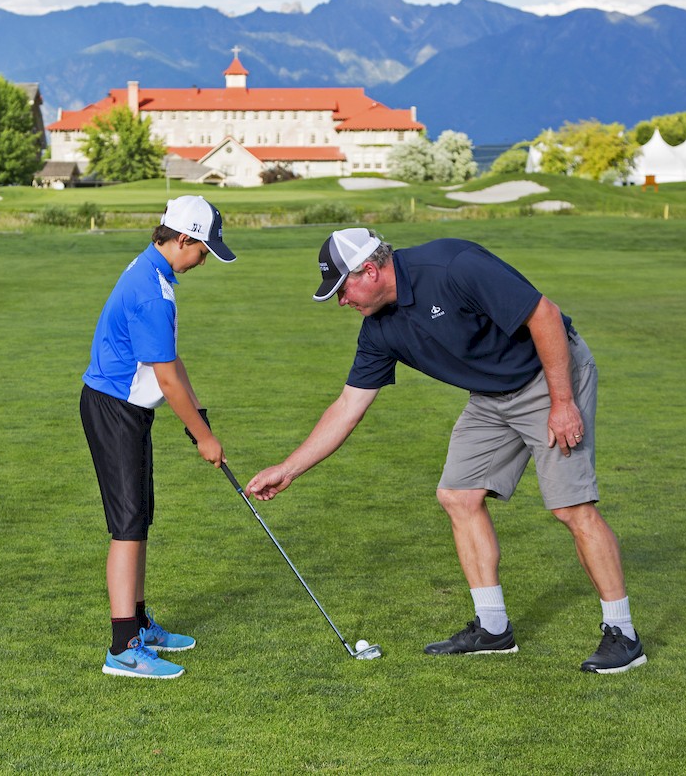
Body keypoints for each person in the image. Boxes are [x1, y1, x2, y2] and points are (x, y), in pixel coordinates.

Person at [246, 228, 646, 674]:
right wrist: (289, 468)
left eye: (343, 289)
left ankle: (623, 634)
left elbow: (544, 315)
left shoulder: (453, 266)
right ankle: (493, 628)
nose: (341, 301)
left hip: (549, 376)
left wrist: (563, 402)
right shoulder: (378, 330)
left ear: (371, 270)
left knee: (571, 507)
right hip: (491, 396)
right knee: (458, 495)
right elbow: (347, 408)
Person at [81, 195, 235, 679]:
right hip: (114, 410)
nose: (203, 261)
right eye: (204, 251)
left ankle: (139, 623)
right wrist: (203, 437)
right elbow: (165, 379)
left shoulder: (155, 273)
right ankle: (122, 647)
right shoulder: (153, 292)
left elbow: (169, 361)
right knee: (127, 524)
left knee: (139, 518)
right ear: (183, 239)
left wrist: (201, 421)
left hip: (127, 409)